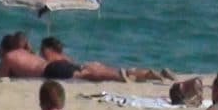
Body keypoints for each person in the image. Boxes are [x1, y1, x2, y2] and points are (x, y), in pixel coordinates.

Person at [39, 36, 170, 84]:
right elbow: (72, 63)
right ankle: (150, 73)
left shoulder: (48, 54)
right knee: (113, 70)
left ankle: (119, 76)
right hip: (78, 65)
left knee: (92, 75)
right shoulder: (64, 55)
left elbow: (44, 64)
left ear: (47, 48)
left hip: (64, 68)